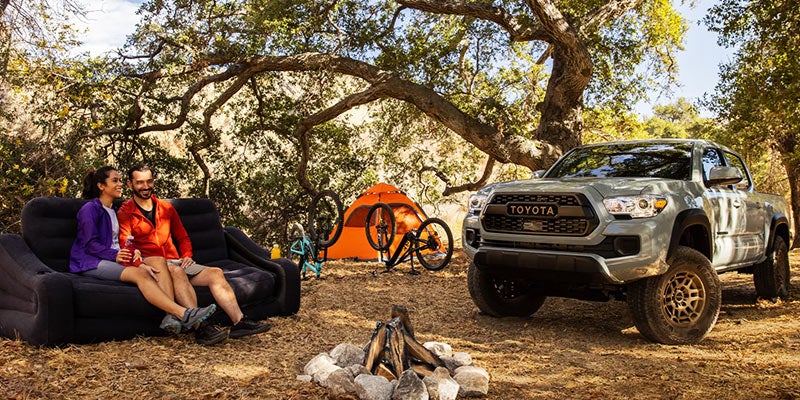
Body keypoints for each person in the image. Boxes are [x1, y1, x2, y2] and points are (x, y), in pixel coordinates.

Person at [117, 164, 271, 342]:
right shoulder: (125, 212)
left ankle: (239, 322)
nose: (146, 186)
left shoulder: (166, 208)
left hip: (175, 260)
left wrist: (187, 255)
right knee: (177, 272)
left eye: (149, 181)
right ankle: (201, 328)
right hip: (154, 264)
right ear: (130, 184)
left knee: (215, 273)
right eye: (140, 182)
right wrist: (139, 264)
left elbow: (182, 237)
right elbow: (126, 245)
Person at [69, 166, 217, 336]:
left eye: (120, 180)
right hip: (90, 262)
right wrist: (117, 255)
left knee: (158, 261)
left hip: (113, 258)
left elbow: (122, 241)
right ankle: (182, 313)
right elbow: (90, 244)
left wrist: (135, 254)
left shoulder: (114, 210)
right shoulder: (89, 209)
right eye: (115, 181)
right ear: (101, 186)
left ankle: (170, 317)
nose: (120, 184)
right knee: (140, 275)